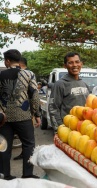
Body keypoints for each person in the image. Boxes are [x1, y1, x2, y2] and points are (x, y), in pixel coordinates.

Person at [0, 49, 41, 180]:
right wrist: (36, 114)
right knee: (29, 144)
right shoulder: (29, 74)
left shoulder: (0, 75)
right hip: (23, 116)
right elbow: (34, 95)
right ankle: (27, 174)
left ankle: (4, 175)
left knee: (4, 145)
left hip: (4, 118)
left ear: (7, 60)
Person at [48, 52, 90, 131]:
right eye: (70, 63)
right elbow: (53, 108)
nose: (74, 65)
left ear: (81, 64)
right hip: (68, 130)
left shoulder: (84, 84)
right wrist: (58, 129)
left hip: (83, 130)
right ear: (65, 66)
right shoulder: (60, 84)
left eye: (77, 62)